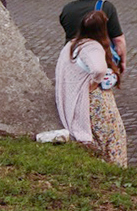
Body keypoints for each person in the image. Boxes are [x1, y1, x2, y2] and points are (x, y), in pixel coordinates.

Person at [54, 9, 128, 165]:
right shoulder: (93, 47)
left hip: (78, 100)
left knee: (97, 140)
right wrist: (94, 82)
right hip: (95, 101)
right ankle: (115, 169)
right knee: (113, 136)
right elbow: (99, 69)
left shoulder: (71, 45)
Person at [58, 0, 125, 76]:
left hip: (73, 59)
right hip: (98, 61)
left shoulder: (67, 9)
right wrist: (122, 62)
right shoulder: (106, 7)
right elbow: (119, 40)